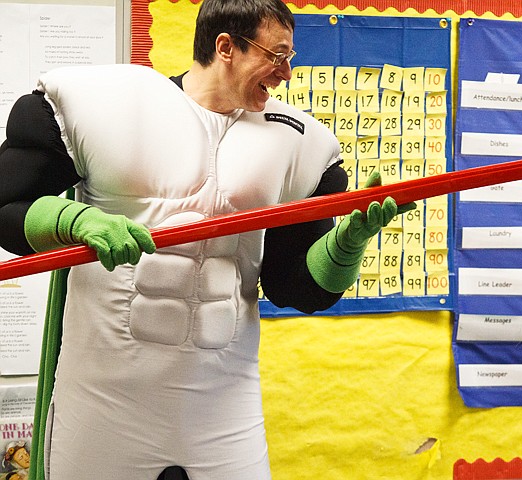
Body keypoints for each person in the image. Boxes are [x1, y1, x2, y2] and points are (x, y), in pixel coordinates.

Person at [0, 0, 413, 478]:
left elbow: (294, 286)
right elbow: (7, 206)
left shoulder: (300, 145)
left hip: (223, 411)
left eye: (290, 59)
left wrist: (347, 241)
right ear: (226, 47)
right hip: (104, 405)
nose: (286, 74)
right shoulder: (105, 106)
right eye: (276, 56)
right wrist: (74, 221)